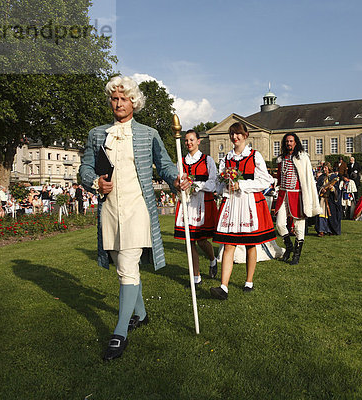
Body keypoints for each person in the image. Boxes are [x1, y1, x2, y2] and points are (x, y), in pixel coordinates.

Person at [79, 75, 188, 361]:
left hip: (139, 208)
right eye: (114, 99)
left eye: (123, 98)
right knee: (120, 264)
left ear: (133, 102)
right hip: (110, 208)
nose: (118, 103)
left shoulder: (148, 133)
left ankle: (119, 333)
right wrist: (95, 183)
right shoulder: (97, 134)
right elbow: (85, 169)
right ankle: (140, 313)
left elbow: (164, 165)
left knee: (127, 266)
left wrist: (177, 179)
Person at [210, 122, 276, 300]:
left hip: (248, 203)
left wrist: (242, 184)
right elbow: (219, 181)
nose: (235, 137)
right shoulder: (226, 159)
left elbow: (265, 180)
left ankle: (249, 281)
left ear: (245, 135)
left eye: (238, 134)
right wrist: (223, 185)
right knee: (229, 243)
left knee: (250, 244)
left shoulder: (255, 156)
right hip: (232, 203)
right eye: (232, 134)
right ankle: (223, 287)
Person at [174, 129, 218, 284]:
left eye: (191, 140)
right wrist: (179, 185)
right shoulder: (181, 161)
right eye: (186, 140)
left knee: (202, 240)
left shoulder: (207, 160)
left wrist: (196, 186)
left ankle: (212, 260)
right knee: (189, 240)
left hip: (203, 202)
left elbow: (213, 182)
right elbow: (177, 180)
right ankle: (196, 276)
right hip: (187, 203)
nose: (188, 143)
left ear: (198, 141)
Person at [274, 132, 322, 265]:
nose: (288, 143)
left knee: (299, 225)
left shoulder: (302, 157)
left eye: (291, 141)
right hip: (283, 194)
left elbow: (307, 178)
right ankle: (289, 247)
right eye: (287, 141)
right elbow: (278, 177)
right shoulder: (281, 158)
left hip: (297, 195)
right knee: (279, 224)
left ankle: (297, 254)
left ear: (295, 142)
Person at [315, 162, 342, 236]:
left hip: (331, 199)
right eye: (323, 168)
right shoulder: (321, 177)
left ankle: (330, 230)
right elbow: (317, 187)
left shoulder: (333, 177)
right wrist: (321, 189)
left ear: (329, 168)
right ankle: (321, 230)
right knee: (321, 214)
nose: (324, 169)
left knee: (330, 215)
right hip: (323, 198)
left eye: (325, 168)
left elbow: (337, 189)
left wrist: (333, 189)